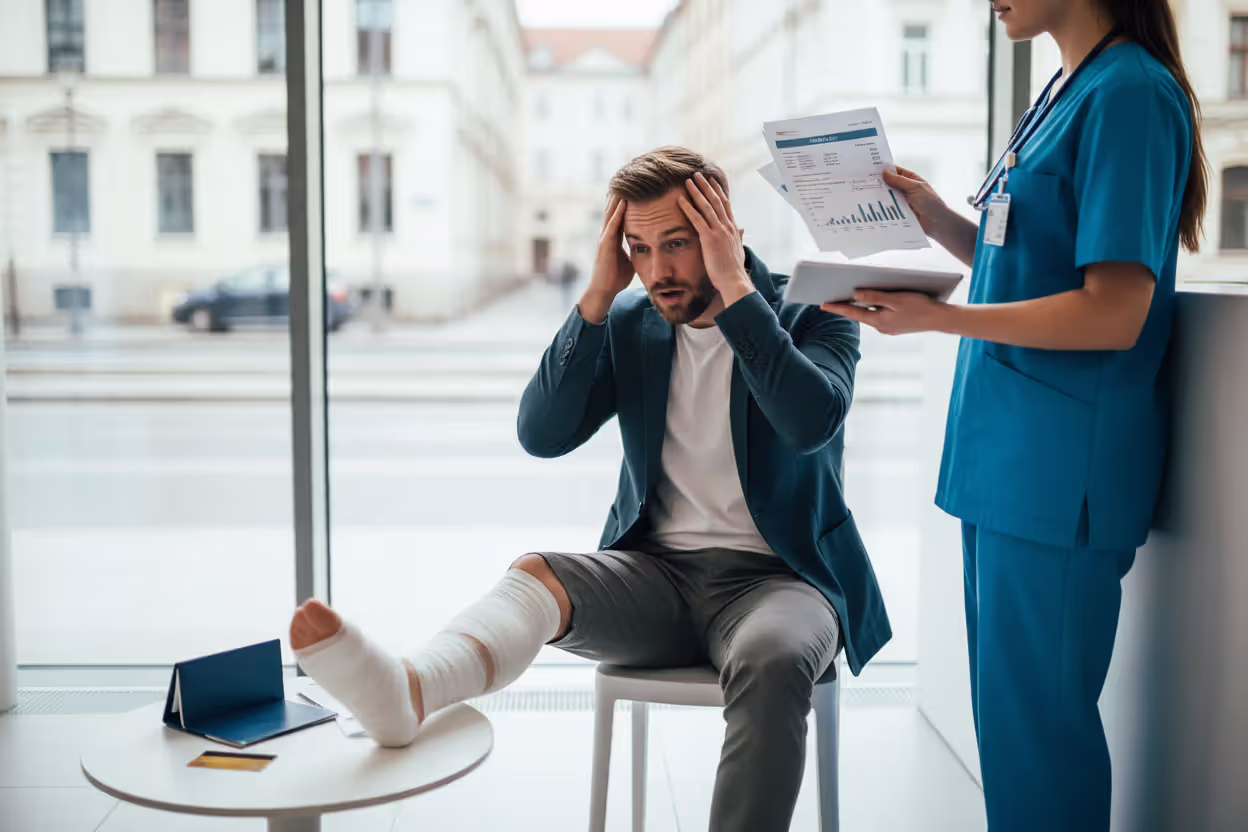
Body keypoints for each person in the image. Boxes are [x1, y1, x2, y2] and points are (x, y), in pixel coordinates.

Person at [288, 146, 891, 832]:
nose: (658, 270)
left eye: (678, 244)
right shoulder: (633, 321)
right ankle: (411, 690)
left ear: (727, 235)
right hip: (656, 577)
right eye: (639, 247)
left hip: (783, 582)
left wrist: (736, 296)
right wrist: (598, 297)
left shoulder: (815, 312)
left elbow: (809, 422)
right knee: (535, 575)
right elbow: (541, 433)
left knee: (776, 659)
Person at [823, 2, 1207, 830]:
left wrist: (938, 319)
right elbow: (1026, 261)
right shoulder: (1068, 89)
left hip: (1059, 476)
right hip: (1005, 464)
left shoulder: (1131, 94)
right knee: (1011, 730)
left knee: (1041, 738)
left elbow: (1115, 312)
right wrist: (934, 220)